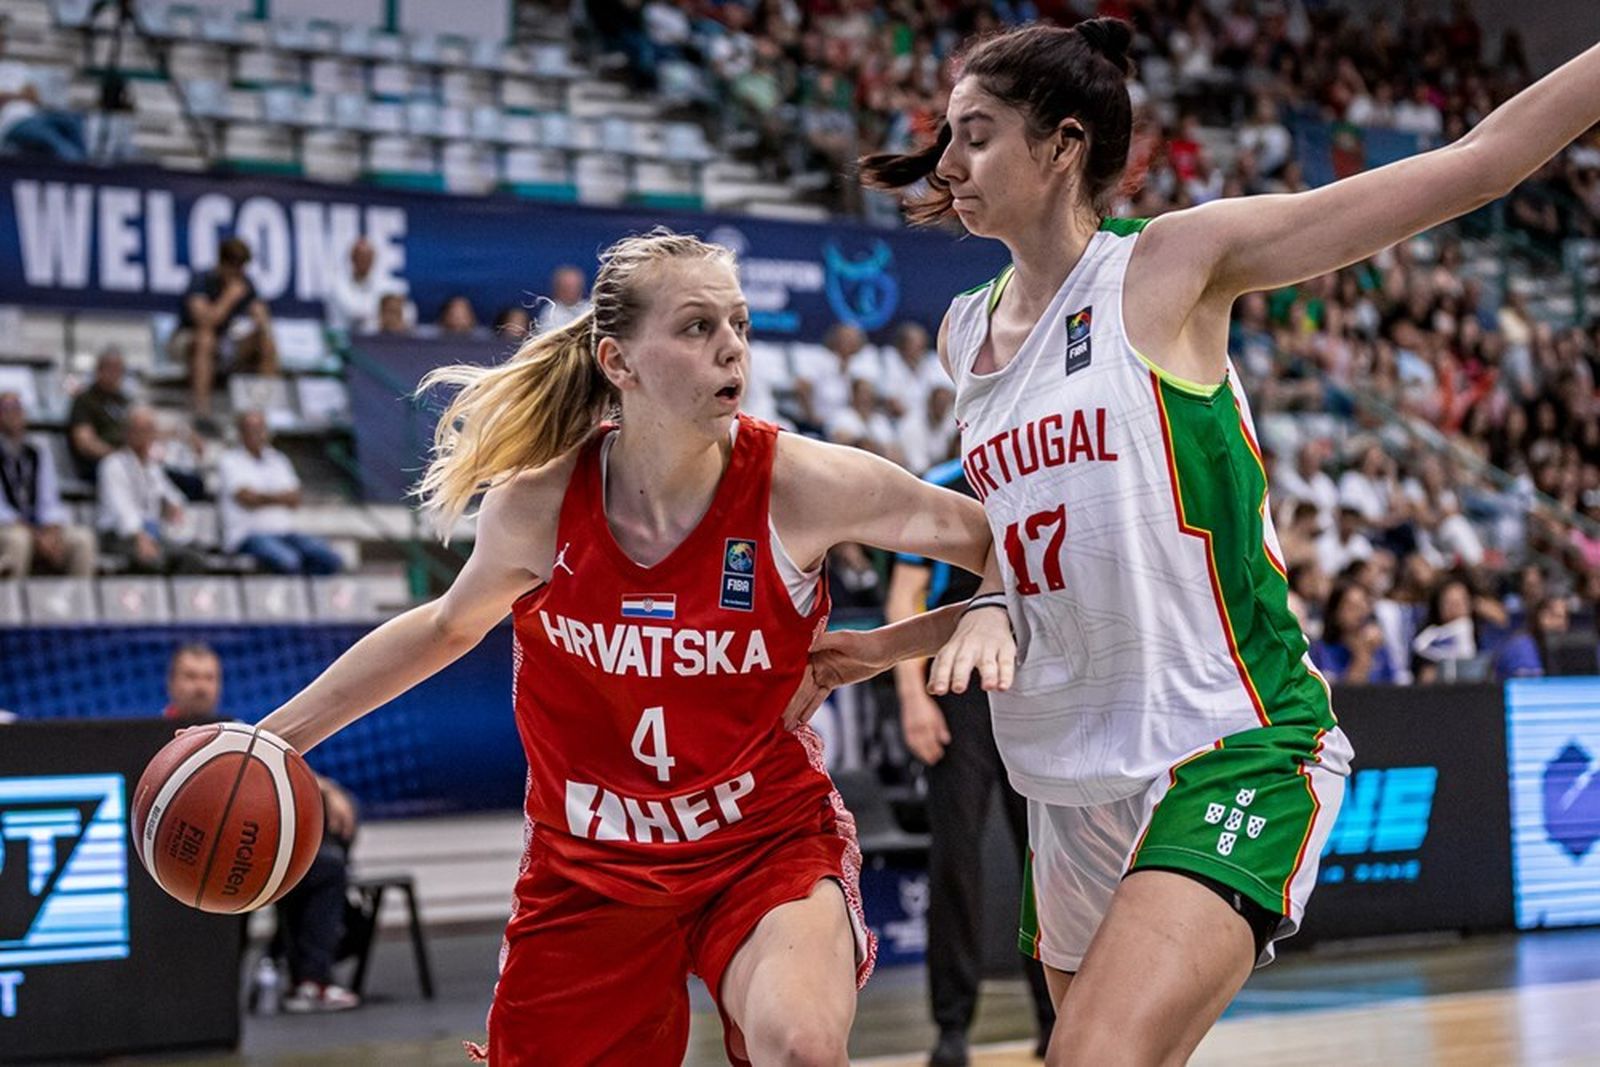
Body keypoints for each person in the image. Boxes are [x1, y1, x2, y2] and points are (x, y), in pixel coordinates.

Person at [823, 16, 1600, 1063]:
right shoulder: (968, 329)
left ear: (1061, 146)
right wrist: (883, 648)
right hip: (1066, 772)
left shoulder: (1169, 266)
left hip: (1225, 736)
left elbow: (1479, 165)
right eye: (948, 135)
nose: (948, 162)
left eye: (976, 134)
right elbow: (1041, 566)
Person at [240, 231, 1009, 1065]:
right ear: (618, 360)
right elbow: (443, 626)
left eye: (739, 325)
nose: (731, 348)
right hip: (589, 870)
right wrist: (268, 740)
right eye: (696, 327)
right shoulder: (538, 506)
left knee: (801, 1047)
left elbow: (1007, 545)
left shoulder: (805, 483)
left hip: (761, 839)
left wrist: (943, 626)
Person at [885, 459, 1055, 1067]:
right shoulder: (941, 479)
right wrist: (912, 698)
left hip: (1034, 687)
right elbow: (904, 597)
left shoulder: (1038, 470)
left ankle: (1053, 1021)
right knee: (956, 858)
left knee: (1049, 864)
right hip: (957, 691)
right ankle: (952, 1026)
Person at [160, 643, 361, 1013]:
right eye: (191, 677)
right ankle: (212, 999)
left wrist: (327, 789)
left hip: (246, 851)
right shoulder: (160, 747)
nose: (201, 687)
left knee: (329, 864)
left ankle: (307, 976)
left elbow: (276, 767)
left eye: (209, 678)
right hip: (184, 865)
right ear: (171, 684)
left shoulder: (234, 732)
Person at [217, 411, 342, 575]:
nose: (257, 434)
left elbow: (295, 499)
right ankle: (294, 596)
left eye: (260, 429)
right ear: (240, 433)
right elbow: (247, 499)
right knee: (289, 560)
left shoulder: (278, 459)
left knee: (330, 559)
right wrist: (280, 497)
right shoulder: (229, 460)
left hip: (284, 533)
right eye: (250, 429)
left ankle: (305, 596)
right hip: (247, 536)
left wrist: (263, 497)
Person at [170, 237, 280, 421]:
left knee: (265, 342)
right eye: (235, 267)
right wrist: (229, 298)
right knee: (206, 339)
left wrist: (260, 317)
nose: (239, 273)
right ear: (223, 264)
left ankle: (262, 411)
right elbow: (205, 321)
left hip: (225, 342)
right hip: (188, 340)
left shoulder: (245, 282)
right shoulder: (201, 280)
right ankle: (201, 410)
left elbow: (261, 317)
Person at [96, 406, 206, 574]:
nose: (146, 436)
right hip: (119, 536)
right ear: (128, 433)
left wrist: (174, 507)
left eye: (149, 430)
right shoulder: (112, 465)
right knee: (153, 560)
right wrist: (139, 536)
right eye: (140, 430)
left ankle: (177, 599)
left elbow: (171, 494)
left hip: (152, 533)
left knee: (194, 558)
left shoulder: (152, 467)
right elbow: (122, 510)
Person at [0, 391, 96, 576]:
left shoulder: (36, 453)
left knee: (82, 539)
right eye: (7, 409)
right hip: (9, 529)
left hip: (38, 528)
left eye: (18, 408)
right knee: (19, 540)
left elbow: (49, 500)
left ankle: (75, 601)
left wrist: (51, 532)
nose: (14, 413)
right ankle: (9, 603)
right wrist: (36, 535)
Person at [67, 347, 130, 481]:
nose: (115, 374)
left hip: (128, 462)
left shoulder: (124, 400)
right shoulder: (85, 400)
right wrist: (118, 457)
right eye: (110, 368)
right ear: (99, 370)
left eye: (119, 369)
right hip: (100, 463)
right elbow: (85, 442)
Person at [534, 265, 590, 333]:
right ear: (559, 288)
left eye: (576, 286)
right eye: (568, 287)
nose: (573, 290)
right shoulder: (550, 313)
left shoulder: (590, 309)